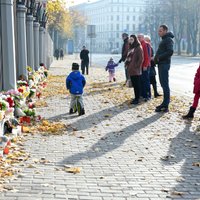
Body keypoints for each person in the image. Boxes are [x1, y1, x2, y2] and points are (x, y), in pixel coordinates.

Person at [154, 24, 174, 112]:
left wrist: (159, 57)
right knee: (163, 84)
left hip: (164, 64)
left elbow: (170, 51)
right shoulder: (164, 39)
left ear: (165, 31)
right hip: (161, 64)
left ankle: (166, 105)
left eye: (160, 31)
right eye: (159, 31)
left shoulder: (168, 39)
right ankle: (164, 103)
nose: (159, 32)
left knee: (165, 84)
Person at [125, 35, 144, 105]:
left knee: (137, 85)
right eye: (130, 39)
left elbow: (141, 59)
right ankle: (136, 97)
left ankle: (137, 99)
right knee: (134, 85)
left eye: (132, 39)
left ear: (135, 40)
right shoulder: (131, 47)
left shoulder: (138, 47)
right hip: (131, 69)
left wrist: (136, 66)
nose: (130, 41)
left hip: (135, 70)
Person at [137, 33, 151, 101]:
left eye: (140, 37)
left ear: (143, 37)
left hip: (145, 66)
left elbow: (147, 56)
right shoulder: (139, 45)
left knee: (146, 81)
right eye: (138, 37)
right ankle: (143, 94)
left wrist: (145, 65)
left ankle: (148, 95)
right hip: (140, 66)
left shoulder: (146, 44)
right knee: (141, 81)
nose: (139, 38)